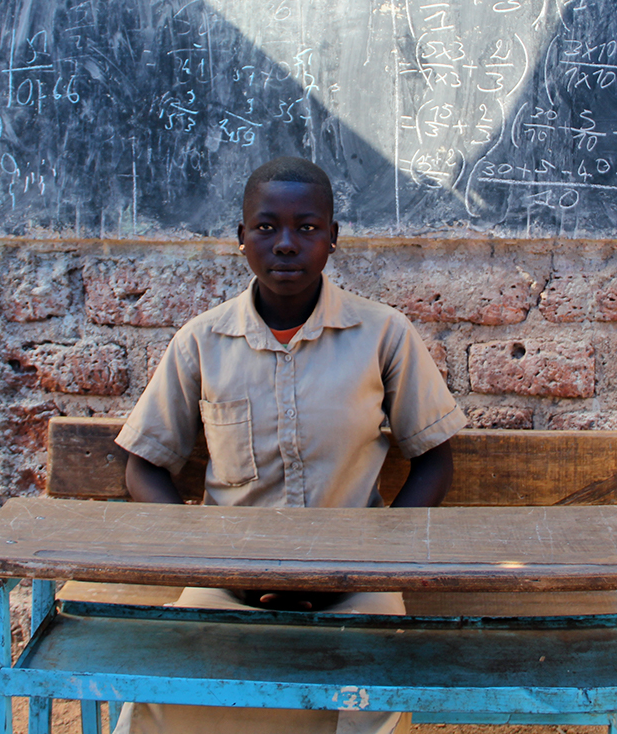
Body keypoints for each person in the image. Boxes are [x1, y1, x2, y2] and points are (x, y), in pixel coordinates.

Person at [115, 155, 466, 734]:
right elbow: (143, 469)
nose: (285, 243)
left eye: (306, 228)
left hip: (355, 584)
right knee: (161, 689)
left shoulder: (382, 335)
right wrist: (209, 560)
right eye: (266, 227)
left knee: (373, 686)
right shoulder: (202, 342)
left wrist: (371, 562)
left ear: (332, 239)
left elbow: (434, 459)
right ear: (241, 238)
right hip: (227, 583)